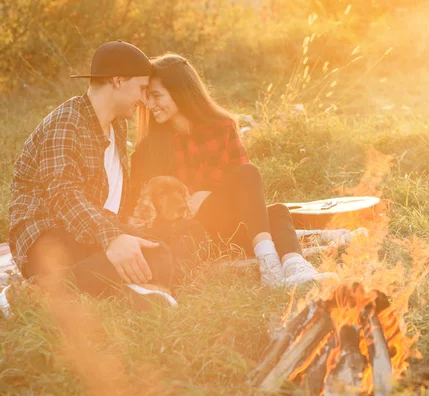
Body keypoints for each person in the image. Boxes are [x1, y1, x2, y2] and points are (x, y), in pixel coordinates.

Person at [127, 54, 339, 287]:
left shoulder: (221, 127)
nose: (149, 105)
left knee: (275, 210)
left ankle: (292, 264)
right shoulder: (151, 147)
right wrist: (189, 202)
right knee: (255, 186)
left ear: (180, 92)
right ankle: (270, 264)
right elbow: (143, 208)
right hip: (191, 234)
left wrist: (206, 195)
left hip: (226, 224)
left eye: (156, 96)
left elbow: (244, 190)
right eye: (147, 97)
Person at [7, 41, 178, 308]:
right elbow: (63, 197)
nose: (145, 100)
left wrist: (127, 229)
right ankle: (32, 292)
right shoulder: (66, 123)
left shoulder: (116, 125)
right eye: (142, 89)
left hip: (88, 232)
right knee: (141, 253)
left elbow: (107, 200)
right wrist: (113, 238)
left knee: (159, 250)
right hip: (48, 237)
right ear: (119, 80)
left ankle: (111, 285)